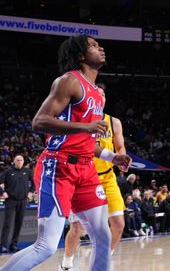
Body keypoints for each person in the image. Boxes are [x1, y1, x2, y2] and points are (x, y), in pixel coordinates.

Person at [0, 35, 131, 271]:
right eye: (92, 45)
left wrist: (112, 157)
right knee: (46, 246)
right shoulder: (69, 81)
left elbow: (86, 142)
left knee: (103, 237)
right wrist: (86, 127)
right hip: (58, 167)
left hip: (86, 169)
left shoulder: (98, 95)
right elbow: (39, 122)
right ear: (81, 55)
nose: (100, 47)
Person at [60, 94, 128, 271]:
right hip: (84, 177)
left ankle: (102, 258)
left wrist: (121, 157)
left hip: (107, 177)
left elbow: (119, 146)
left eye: (103, 95)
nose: (100, 97)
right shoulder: (80, 121)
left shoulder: (114, 122)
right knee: (77, 227)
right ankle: (66, 263)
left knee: (119, 225)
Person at [0, 155, 35, 253]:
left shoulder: (27, 172)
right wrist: (3, 192)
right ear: (14, 161)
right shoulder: (8, 172)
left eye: (21, 160)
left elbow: (35, 183)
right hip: (10, 201)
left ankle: (14, 244)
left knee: (19, 223)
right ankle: (3, 245)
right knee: (7, 223)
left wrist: (31, 192)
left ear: (23, 162)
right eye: (17, 160)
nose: (19, 162)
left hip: (23, 200)